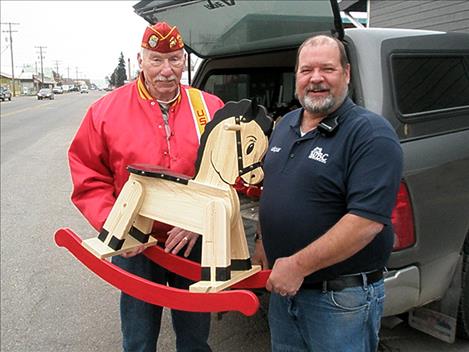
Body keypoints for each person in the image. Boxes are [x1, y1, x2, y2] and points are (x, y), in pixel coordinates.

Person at [68, 22, 224, 352]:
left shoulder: (210, 108)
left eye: (175, 60)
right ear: (140, 60)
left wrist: (200, 221)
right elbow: (88, 176)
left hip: (193, 241)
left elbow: (225, 175)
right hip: (136, 247)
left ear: (185, 61)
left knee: (196, 338)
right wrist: (117, 228)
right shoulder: (105, 112)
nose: (167, 71)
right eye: (156, 60)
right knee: (138, 339)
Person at [252, 35, 403, 351]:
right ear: (297, 77)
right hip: (285, 293)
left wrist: (296, 266)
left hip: (339, 301)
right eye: (306, 70)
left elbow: (366, 222)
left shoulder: (370, 133)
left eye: (327, 69)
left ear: (346, 74)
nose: (315, 78)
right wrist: (263, 241)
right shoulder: (286, 125)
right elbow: (273, 189)